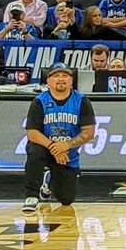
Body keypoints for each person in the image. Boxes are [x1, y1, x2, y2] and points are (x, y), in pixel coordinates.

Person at [22, 63, 96, 214]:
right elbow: (32, 132)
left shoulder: (82, 101)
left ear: (71, 80)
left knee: (66, 199)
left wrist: (67, 145)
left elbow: (89, 132)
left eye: (65, 76)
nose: (61, 79)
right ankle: (32, 196)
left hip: (67, 153)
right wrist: (54, 147)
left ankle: (48, 182)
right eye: (56, 76)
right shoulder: (39, 101)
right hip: (45, 147)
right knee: (35, 150)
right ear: (48, 81)